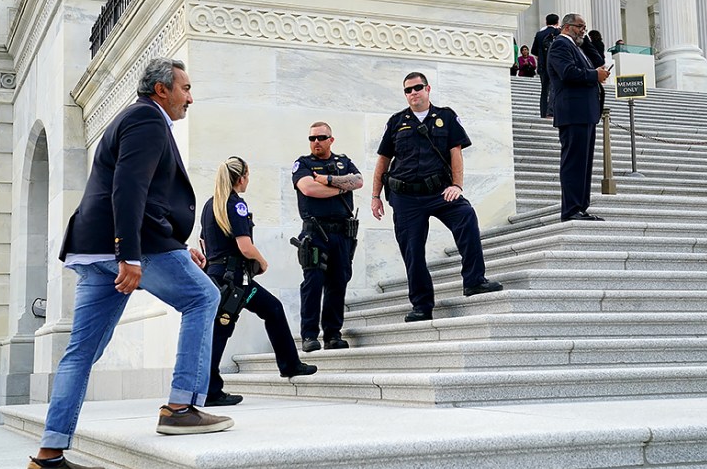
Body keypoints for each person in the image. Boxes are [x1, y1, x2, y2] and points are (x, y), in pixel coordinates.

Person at [24, 58, 233, 469]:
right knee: (204, 297)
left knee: (80, 353)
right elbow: (129, 187)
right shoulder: (146, 119)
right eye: (185, 89)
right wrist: (129, 255)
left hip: (101, 247)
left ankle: (49, 455)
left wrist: (173, 247)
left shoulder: (137, 118)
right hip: (127, 243)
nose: (190, 98)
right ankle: (180, 408)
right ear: (162, 90)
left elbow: (142, 192)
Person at [371, 72, 503, 323]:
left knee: (466, 216)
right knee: (412, 251)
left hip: (439, 191)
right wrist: (375, 196)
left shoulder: (446, 116)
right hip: (406, 196)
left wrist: (457, 185)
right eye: (408, 90)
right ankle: (421, 305)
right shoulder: (397, 121)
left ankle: (474, 281)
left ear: (428, 88)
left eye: (417, 88)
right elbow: (383, 160)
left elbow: (456, 152)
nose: (413, 93)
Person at [201, 156, 317, 406]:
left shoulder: (210, 205)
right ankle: (210, 391)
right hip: (235, 282)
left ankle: (290, 365)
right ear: (241, 177)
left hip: (219, 277)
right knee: (223, 329)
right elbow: (245, 246)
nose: (248, 181)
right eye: (248, 176)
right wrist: (262, 262)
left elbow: (203, 243)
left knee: (270, 310)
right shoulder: (236, 205)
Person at [291, 122, 363, 352]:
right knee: (313, 283)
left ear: (331, 139)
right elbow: (310, 189)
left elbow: (359, 181)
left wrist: (329, 181)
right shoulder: (303, 163)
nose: (316, 142)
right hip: (316, 232)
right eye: (312, 138)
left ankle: (333, 334)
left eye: (321, 137)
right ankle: (310, 335)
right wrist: (343, 187)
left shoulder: (343, 162)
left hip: (342, 232)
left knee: (338, 282)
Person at [547, 14, 611, 222]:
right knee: (574, 162)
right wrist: (594, 76)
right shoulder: (560, 46)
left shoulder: (577, 47)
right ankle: (571, 209)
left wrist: (587, 41)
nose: (584, 30)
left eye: (585, 27)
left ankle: (580, 207)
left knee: (584, 163)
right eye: (580, 26)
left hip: (585, 113)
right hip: (573, 113)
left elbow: (598, 61)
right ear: (566, 27)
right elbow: (567, 73)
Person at [533, 13, 561, 118]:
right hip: (555, 66)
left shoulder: (539, 34)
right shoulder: (559, 33)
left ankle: (543, 112)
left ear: (546, 22)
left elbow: (534, 52)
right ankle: (551, 111)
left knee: (544, 89)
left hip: (542, 66)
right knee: (554, 87)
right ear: (557, 22)